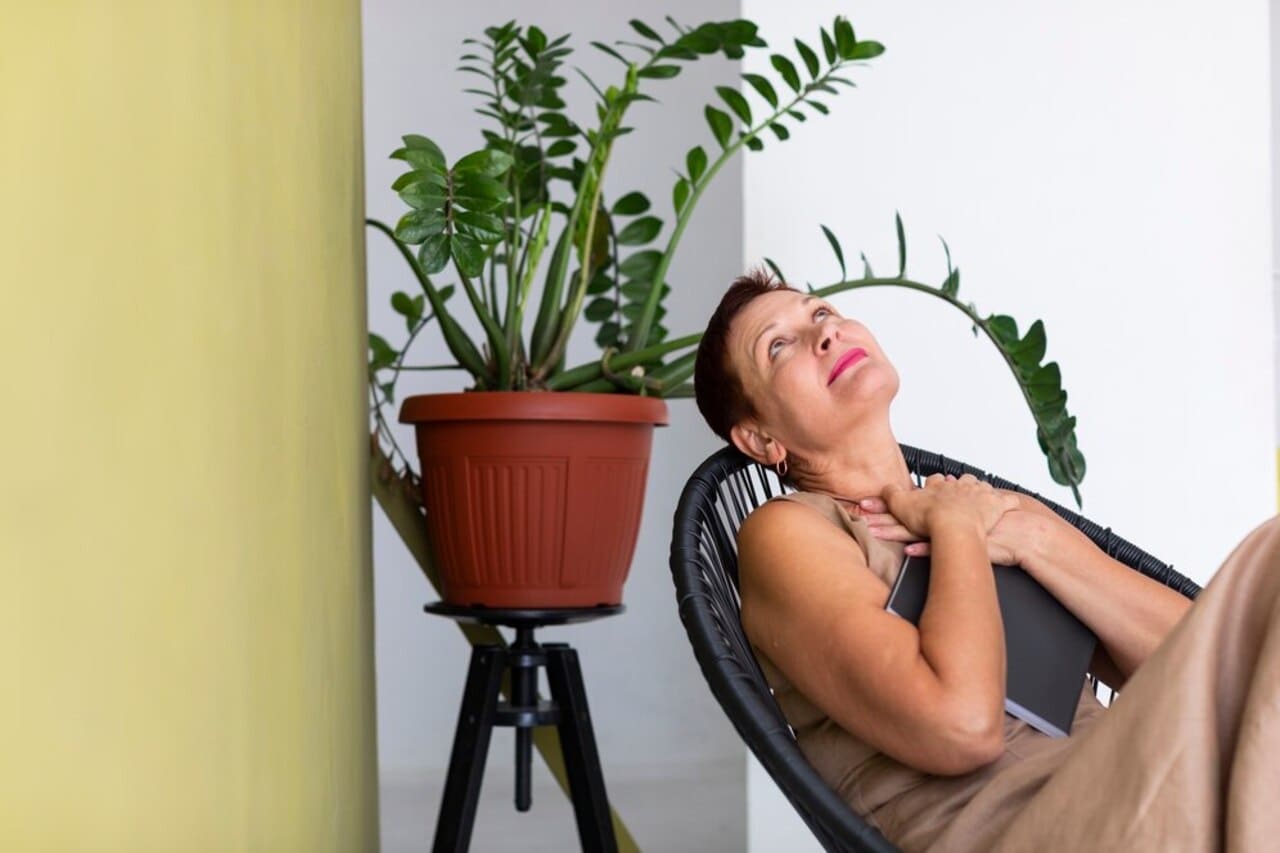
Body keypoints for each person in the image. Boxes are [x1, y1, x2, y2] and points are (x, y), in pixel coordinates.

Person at [692, 268, 1280, 851]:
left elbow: (1211, 662)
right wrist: (954, 533)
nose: (824, 333)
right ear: (761, 439)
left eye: (821, 312)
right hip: (1032, 825)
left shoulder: (971, 506)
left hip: (1136, 783)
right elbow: (962, 728)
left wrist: (1030, 539)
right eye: (778, 346)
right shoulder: (789, 533)